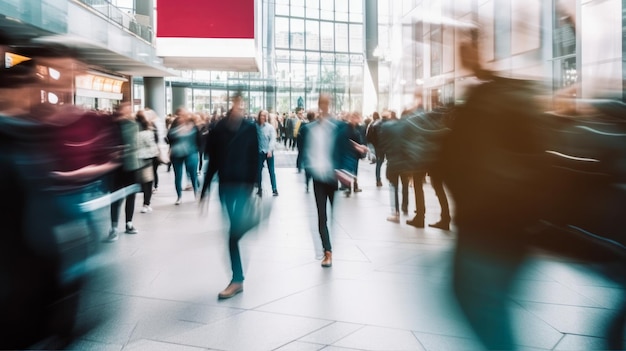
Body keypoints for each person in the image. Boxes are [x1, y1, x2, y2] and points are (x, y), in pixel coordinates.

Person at [200, 93, 259, 299]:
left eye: (241, 104)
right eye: (235, 103)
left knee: (233, 235)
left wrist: (256, 185)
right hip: (226, 185)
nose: (238, 107)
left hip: (243, 186)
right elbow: (213, 161)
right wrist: (205, 190)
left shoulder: (250, 128)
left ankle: (237, 279)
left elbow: (255, 157)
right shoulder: (219, 129)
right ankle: (238, 278)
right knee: (233, 232)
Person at [299, 93, 353, 267]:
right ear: (319, 104)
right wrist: (307, 167)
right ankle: (327, 251)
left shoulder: (337, 127)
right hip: (318, 177)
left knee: (332, 213)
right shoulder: (310, 128)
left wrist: (345, 171)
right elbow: (304, 150)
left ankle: (329, 244)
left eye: (326, 102)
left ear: (329, 104)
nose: (324, 105)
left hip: (333, 177)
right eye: (321, 102)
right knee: (322, 216)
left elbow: (346, 151)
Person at [105, 103, 141, 242]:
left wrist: (122, 150)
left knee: (130, 195)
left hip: (131, 165)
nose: (128, 111)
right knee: (116, 197)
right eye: (126, 108)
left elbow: (134, 145)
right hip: (116, 167)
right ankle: (114, 227)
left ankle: (129, 223)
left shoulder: (133, 125)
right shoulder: (112, 125)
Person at [167, 107, 201, 205]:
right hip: (176, 154)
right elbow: (168, 137)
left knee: (193, 174)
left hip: (191, 153)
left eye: (184, 114)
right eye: (180, 114)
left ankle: (196, 194)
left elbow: (198, 138)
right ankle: (179, 197)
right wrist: (178, 131)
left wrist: (198, 150)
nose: (182, 116)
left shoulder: (192, 124)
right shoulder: (175, 125)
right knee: (178, 176)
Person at [135, 110, 159, 213]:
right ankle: (146, 204)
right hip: (148, 159)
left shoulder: (133, 131)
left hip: (137, 159)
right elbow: (152, 145)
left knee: (141, 181)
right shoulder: (148, 132)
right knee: (148, 182)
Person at [256, 109, 278, 196]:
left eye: (265, 115)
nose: (264, 117)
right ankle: (259, 188)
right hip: (259, 152)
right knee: (258, 171)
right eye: (262, 115)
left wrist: (270, 150)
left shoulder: (270, 127)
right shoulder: (256, 127)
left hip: (269, 152)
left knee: (271, 171)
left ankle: (274, 189)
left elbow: (273, 139)